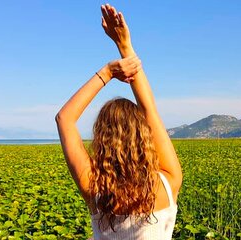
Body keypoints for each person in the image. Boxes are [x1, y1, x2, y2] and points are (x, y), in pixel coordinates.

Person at [56, 3, 182, 239]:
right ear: (143, 135)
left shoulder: (94, 188)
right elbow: (149, 110)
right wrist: (125, 47)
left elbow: (64, 119)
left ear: (103, 139)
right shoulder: (168, 181)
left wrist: (107, 73)